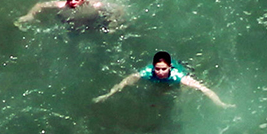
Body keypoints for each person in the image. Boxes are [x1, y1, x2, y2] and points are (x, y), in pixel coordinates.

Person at [97, 51, 228, 106]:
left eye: (163, 69)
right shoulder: (147, 72)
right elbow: (125, 81)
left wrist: (220, 103)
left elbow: (204, 89)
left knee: (183, 93)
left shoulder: (179, 76)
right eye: (157, 69)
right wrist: (109, 94)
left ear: (169, 67)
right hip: (163, 81)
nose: (160, 72)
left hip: (182, 70)